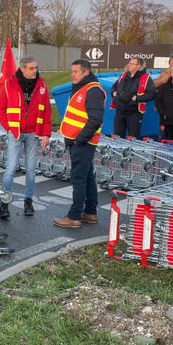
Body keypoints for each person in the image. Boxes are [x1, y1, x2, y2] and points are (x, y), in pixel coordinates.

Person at [0, 55, 52, 218]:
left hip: (34, 133)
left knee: (31, 170)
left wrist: (46, 134)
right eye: (31, 68)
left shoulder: (42, 85)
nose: (35, 70)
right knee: (11, 168)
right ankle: (5, 203)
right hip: (15, 133)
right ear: (22, 69)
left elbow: (47, 111)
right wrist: (9, 128)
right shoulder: (9, 85)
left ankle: (28, 201)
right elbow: (0, 109)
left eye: (36, 67)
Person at [53, 59, 105, 229]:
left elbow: (95, 119)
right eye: (72, 71)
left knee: (78, 178)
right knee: (88, 177)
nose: (72, 74)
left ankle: (74, 216)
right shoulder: (83, 88)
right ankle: (90, 212)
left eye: (75, 72)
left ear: (86, 72)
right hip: (79, 141)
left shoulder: (92, 90)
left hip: (83, 142)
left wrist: (80, 139)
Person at [110, 56, 156, 139]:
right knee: (117, 138)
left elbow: (152, 94)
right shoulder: (123, 76)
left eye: (131, 64)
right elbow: (114, 87)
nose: (129, 65)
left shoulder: (145, 78)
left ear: (138, 66)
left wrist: (137, 98)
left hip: (134, 113)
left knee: (133, 139)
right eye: (129, 63)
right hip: (119, 112)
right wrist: (113, 93)